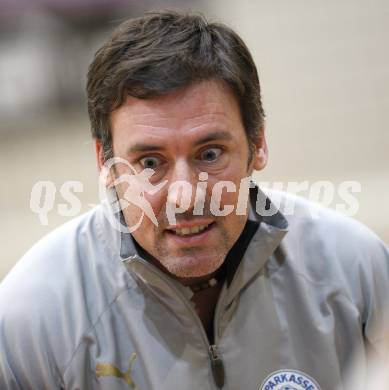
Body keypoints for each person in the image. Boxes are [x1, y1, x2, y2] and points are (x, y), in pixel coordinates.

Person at [0, 10, 388, 390]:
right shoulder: (33, 316)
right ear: (105, 162)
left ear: (258, 144)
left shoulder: (356, 271)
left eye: (210, 154)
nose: (184, 196)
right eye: (150, 162)